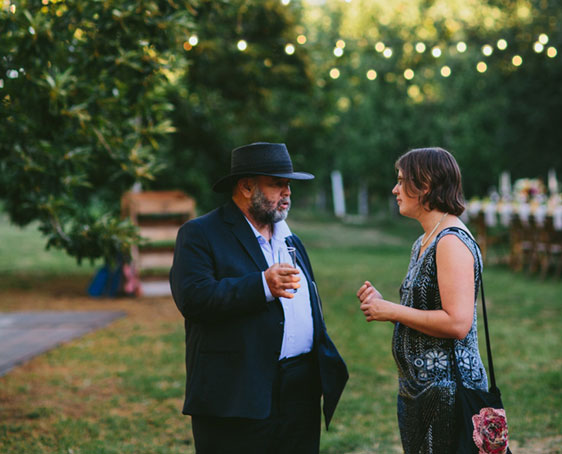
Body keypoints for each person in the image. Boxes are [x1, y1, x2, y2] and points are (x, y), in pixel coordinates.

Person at [170, 141, 348, 454]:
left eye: (289, 184)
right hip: (237, 392)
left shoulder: (290, 239)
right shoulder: (201, 233)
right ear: (246, 186)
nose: (287, 192)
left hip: (299, 391)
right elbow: (194, 298)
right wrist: (262, 285)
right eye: (277, 184)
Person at [357, 147, 488, 454]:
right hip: (419, 388)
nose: (395, 189)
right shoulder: (424, 240)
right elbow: (425, 309)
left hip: (448, 392)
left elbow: (457, 323)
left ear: (425, 185)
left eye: (402, 181)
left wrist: (393, 311)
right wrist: (385, 305)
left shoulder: (450, 241)